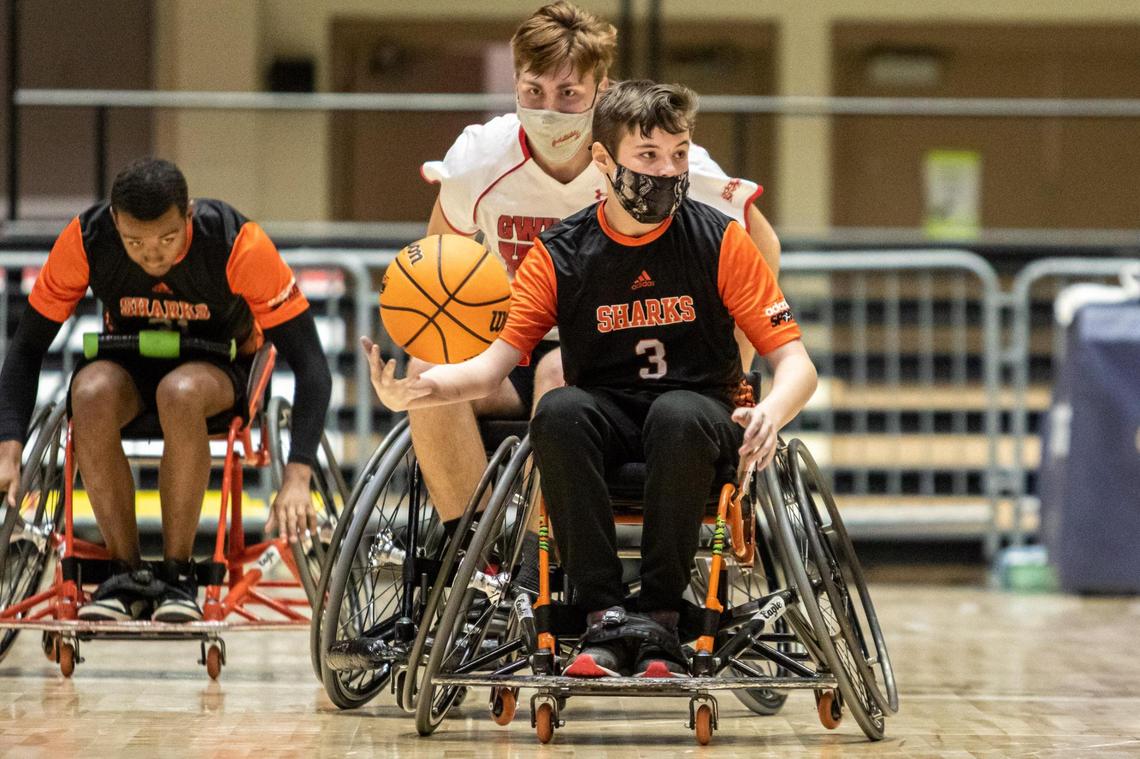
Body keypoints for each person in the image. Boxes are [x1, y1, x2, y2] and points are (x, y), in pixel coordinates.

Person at [366, 80, 816, 677]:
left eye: (679, 154)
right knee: (558, 409)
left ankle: (661, 612)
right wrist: (422, 390)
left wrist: (773, 409)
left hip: (697, 418)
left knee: (677, 414)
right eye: (649, 156)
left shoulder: (721, 241)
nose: (668, 171)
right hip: (610, 418)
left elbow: (796, 361)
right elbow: (495, 363)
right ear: (604, 161)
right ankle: (602, 610)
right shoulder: (561, 252)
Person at [413, 1, 781, 538]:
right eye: (534, 91)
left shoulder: (646, 154)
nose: (549, 107)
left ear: (600, 90)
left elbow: (760, 240)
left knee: (557, 375)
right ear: (515, 84)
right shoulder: (481, 157)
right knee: (426, 371)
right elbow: (439, 257)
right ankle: (476, 549)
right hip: (511, 339)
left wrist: (735, 363)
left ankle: (551, 547)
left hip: (620, 345)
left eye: (568, 94)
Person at [0, 158, 332, 623]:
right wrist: (8, 448)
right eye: (134, 242)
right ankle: (126, 574)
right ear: (115, 222)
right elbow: (26, 347)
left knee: (179, 392)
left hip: (218, 367)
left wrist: (297, 477)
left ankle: (177, 575)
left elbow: (312, 364)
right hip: (130, 364)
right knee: (89, 392)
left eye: (166, 239)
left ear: (189, 215)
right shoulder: (86, 239)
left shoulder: (237, 242)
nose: (151, 255)